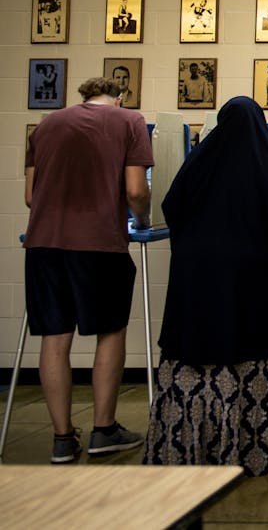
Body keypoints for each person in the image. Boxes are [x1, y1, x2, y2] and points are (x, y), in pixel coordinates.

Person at [144, 97, 268, 475]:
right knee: (249, 349)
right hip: (250, 280)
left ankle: (183, 449)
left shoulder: (201, 161)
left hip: (196, 278)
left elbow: (171, 207)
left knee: (190, 353)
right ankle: (250, 451)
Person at [24, 76, 152, 464]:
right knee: (110, 332)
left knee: (54, 337)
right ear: (119, 97)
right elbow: (134, 190)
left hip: (44, 243)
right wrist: (142, 219)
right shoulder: (129, 121)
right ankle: (103, 429)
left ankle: (62, 439)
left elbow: (31, 196)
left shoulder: (47, 124)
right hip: (98, 242)